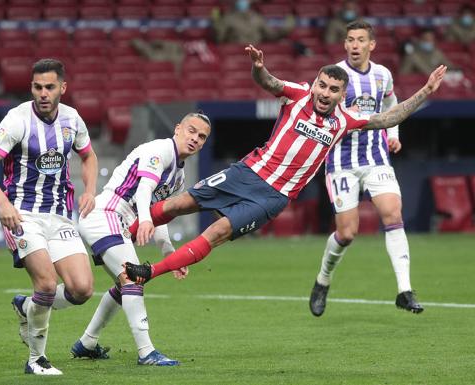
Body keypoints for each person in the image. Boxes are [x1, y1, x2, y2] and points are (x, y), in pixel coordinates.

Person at [122, 45, 446, 288]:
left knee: (217, 231)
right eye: (322, 85)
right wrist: (258, 67)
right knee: (180, 203)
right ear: (315, 83)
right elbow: (268, 81)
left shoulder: (346, 120)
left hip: (272, 197)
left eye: (333, 89)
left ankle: (149, 272)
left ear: (342, 94)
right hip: (247, 172)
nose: (324, 93)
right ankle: (115, 238)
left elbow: (388, 117)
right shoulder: (298, 94)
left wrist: (425, 91)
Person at [0, 58, 99, 376]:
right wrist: (3, 204)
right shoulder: (17, 120)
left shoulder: (72, 119)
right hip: (22, 214)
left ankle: (26, 307)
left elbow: (89, 155)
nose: (43, 93)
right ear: (32, 87)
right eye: (37, 87)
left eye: (50, 87)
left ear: (62, 88)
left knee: (82, 289)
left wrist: (90, 190)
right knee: (45, 283)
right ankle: (36, 359)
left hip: (60, 216)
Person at [71, 112, 211, 366]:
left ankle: (86, 342)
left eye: (201, 137)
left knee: (122, 284)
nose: (195, 139)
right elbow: (145, 189)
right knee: (134, 278)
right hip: (107, 214)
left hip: (113, 221)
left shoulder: (178, 175)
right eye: (191, 131)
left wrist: (168, 251)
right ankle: (146, 352)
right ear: (178, 128)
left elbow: (159, 213)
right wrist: (145, 219)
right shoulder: (160, 150)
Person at [309, 20, 423, 318]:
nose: (354, 45)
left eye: (360, 40)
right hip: (341, 160)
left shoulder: (383, 75)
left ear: (372, 44)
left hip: (375, 157)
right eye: (349, 40)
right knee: (346, 234)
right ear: (344, 44)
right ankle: (323, 280)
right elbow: (316, 109)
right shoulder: (334, 76)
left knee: (392, 213)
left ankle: (404, 290)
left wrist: (394, 135)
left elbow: (391, 101)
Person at [213, 0, 295, 45]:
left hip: (255, 56)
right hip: (235, 58)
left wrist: (287, 27)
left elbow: (271, 35)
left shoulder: (257, 18)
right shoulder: (228, 19)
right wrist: (215, 21)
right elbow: (219, 38)